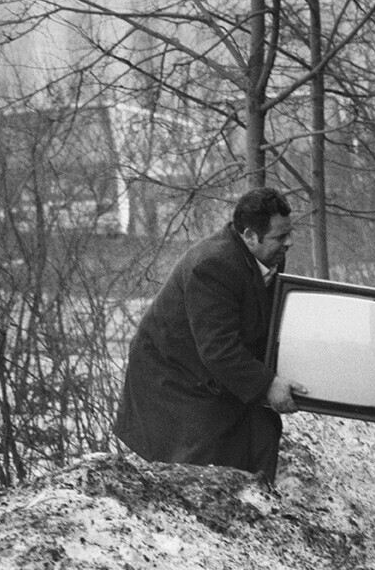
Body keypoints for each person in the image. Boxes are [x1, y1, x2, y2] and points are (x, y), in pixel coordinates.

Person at [113, 187, 306, 483]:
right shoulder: (213, 266)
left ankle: (257, 509)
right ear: (249, 235)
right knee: (206, 464)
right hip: (174, 379)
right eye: (280, 237)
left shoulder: (263, 257)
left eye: (289, 233)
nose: (289, 243)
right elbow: (219, 350)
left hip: (208, 370)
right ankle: (198, 522)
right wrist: (268, 384)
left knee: (262, 431)